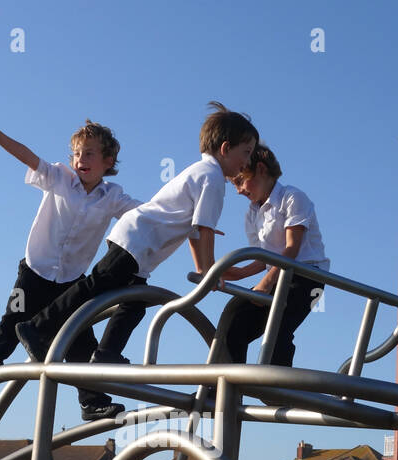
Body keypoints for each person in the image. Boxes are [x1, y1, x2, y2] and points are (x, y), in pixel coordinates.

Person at [17, 102, 259, 422]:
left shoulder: (202, 173)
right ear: (226, 148)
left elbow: (195, 233)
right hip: (136, 239)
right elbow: (203, 229)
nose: (247, 161)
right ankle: (36, 327)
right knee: (96, 287)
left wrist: (208, 270)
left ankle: (105, 354)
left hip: (140, 244)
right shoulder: (212, 179)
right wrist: (206, 270)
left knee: (134, 303)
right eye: (246, 152)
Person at [0, 108, 141, 393]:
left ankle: (92, 398)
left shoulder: (112, 197)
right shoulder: (59, 177)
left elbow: (145, 214)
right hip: (35, 268)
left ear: (108, 161)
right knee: (14, 316)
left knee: (80, 336)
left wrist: (186, 221)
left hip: (70, 279)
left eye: (89, 153)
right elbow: (27, 156)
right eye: (77, 153)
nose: (81, 159)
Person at [218, 144, 328, 366]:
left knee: (278, 328)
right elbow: (264, 258)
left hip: (307, 278)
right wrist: (238, 273)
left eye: (240, 180)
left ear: (260, 169)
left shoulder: (292, 197)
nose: (238, 190)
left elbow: (292, 248)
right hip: (279, 276)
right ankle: (223, 388)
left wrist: (266, 284)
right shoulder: (252, 213)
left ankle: (279, 391)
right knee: (234, 320)